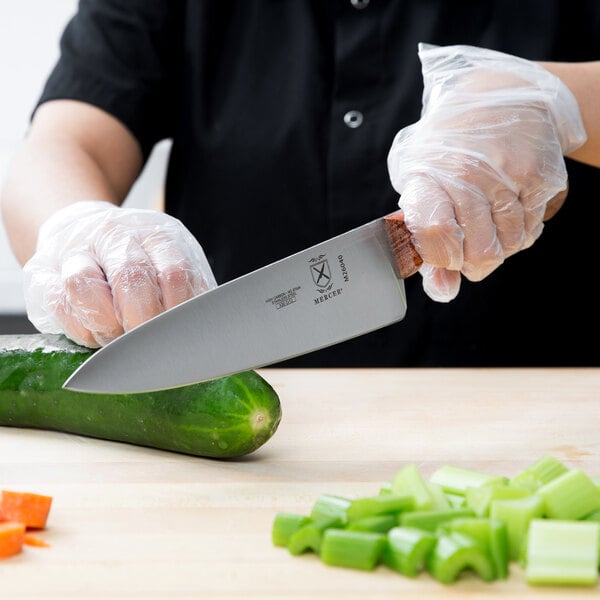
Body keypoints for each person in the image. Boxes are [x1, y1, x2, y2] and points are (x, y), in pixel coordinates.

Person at [1, 0, 600, 367]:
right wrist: (74, 227)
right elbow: (61, 143)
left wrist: (557, 102)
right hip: (235, 436)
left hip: (543, 411)